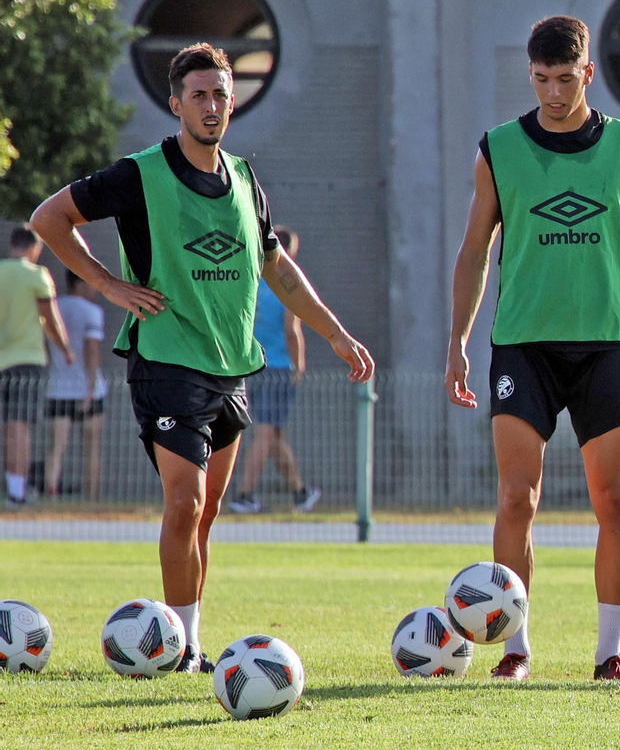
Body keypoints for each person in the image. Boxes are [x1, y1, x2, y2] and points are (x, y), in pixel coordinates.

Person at [31, 43, 374, 673]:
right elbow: (49, 218)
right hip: (165, 360)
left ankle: (188, 638)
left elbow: (277, 268)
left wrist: (335, 333)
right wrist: (107, 284)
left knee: (208, 511)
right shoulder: (140, 174)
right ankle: (180, 650)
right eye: (198, 96)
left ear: (232, 101)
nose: (211, 106)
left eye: (220, 94)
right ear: (176, 104)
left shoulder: (244, 178)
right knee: (185, 503)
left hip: (232, 367)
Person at [447, 15, 620, 682]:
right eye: (541, 79)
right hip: (523, 346)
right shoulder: (499, 149)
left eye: (565, 78)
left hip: (607, 343)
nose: (553, 93)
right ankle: (516, 650)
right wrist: (457, 342)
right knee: (516, 498)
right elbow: (473, 254)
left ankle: (610, 655)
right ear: (529, 75)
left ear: (588, 73)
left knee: (615, 501)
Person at [231, 225, 319, 514]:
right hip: (278, 368)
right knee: (266, 432)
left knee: (275, 434)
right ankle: (243, 494)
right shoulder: (286, 285)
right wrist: (299, 365)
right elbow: (292, 329)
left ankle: (299, 492)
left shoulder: (251, 281)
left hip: (252, 366)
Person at [0, 226, 71, 506]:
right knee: (20, 426)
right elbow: (50, 318)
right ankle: (17, 493)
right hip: (27, 360)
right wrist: (66, 349)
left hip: (2, 360)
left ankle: (12, 487)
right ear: (34, 248)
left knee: (8, 427)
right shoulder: (37, 275)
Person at [45, 269, 107, 500]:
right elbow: (92, 350)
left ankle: (51, 497)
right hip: (90, 391)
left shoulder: (55, 307)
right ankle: (91, 501)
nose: (96, 288)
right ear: (80, 282)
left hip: (58, 388)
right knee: (92, 448)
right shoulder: (92, 311)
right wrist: (89, 389)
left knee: (56, 448)